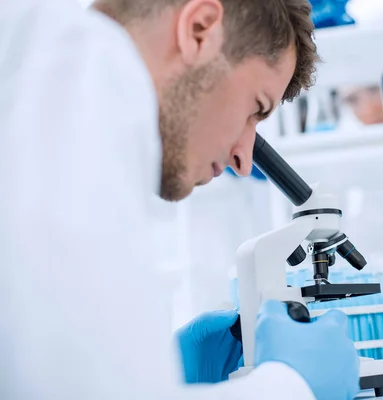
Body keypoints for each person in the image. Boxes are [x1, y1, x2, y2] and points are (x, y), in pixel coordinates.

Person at [0, 0, 360, 399]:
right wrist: (292, 386)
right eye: (255, 108)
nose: (244, 160)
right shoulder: (85, 66)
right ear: (199, 30)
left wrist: (160, 369)